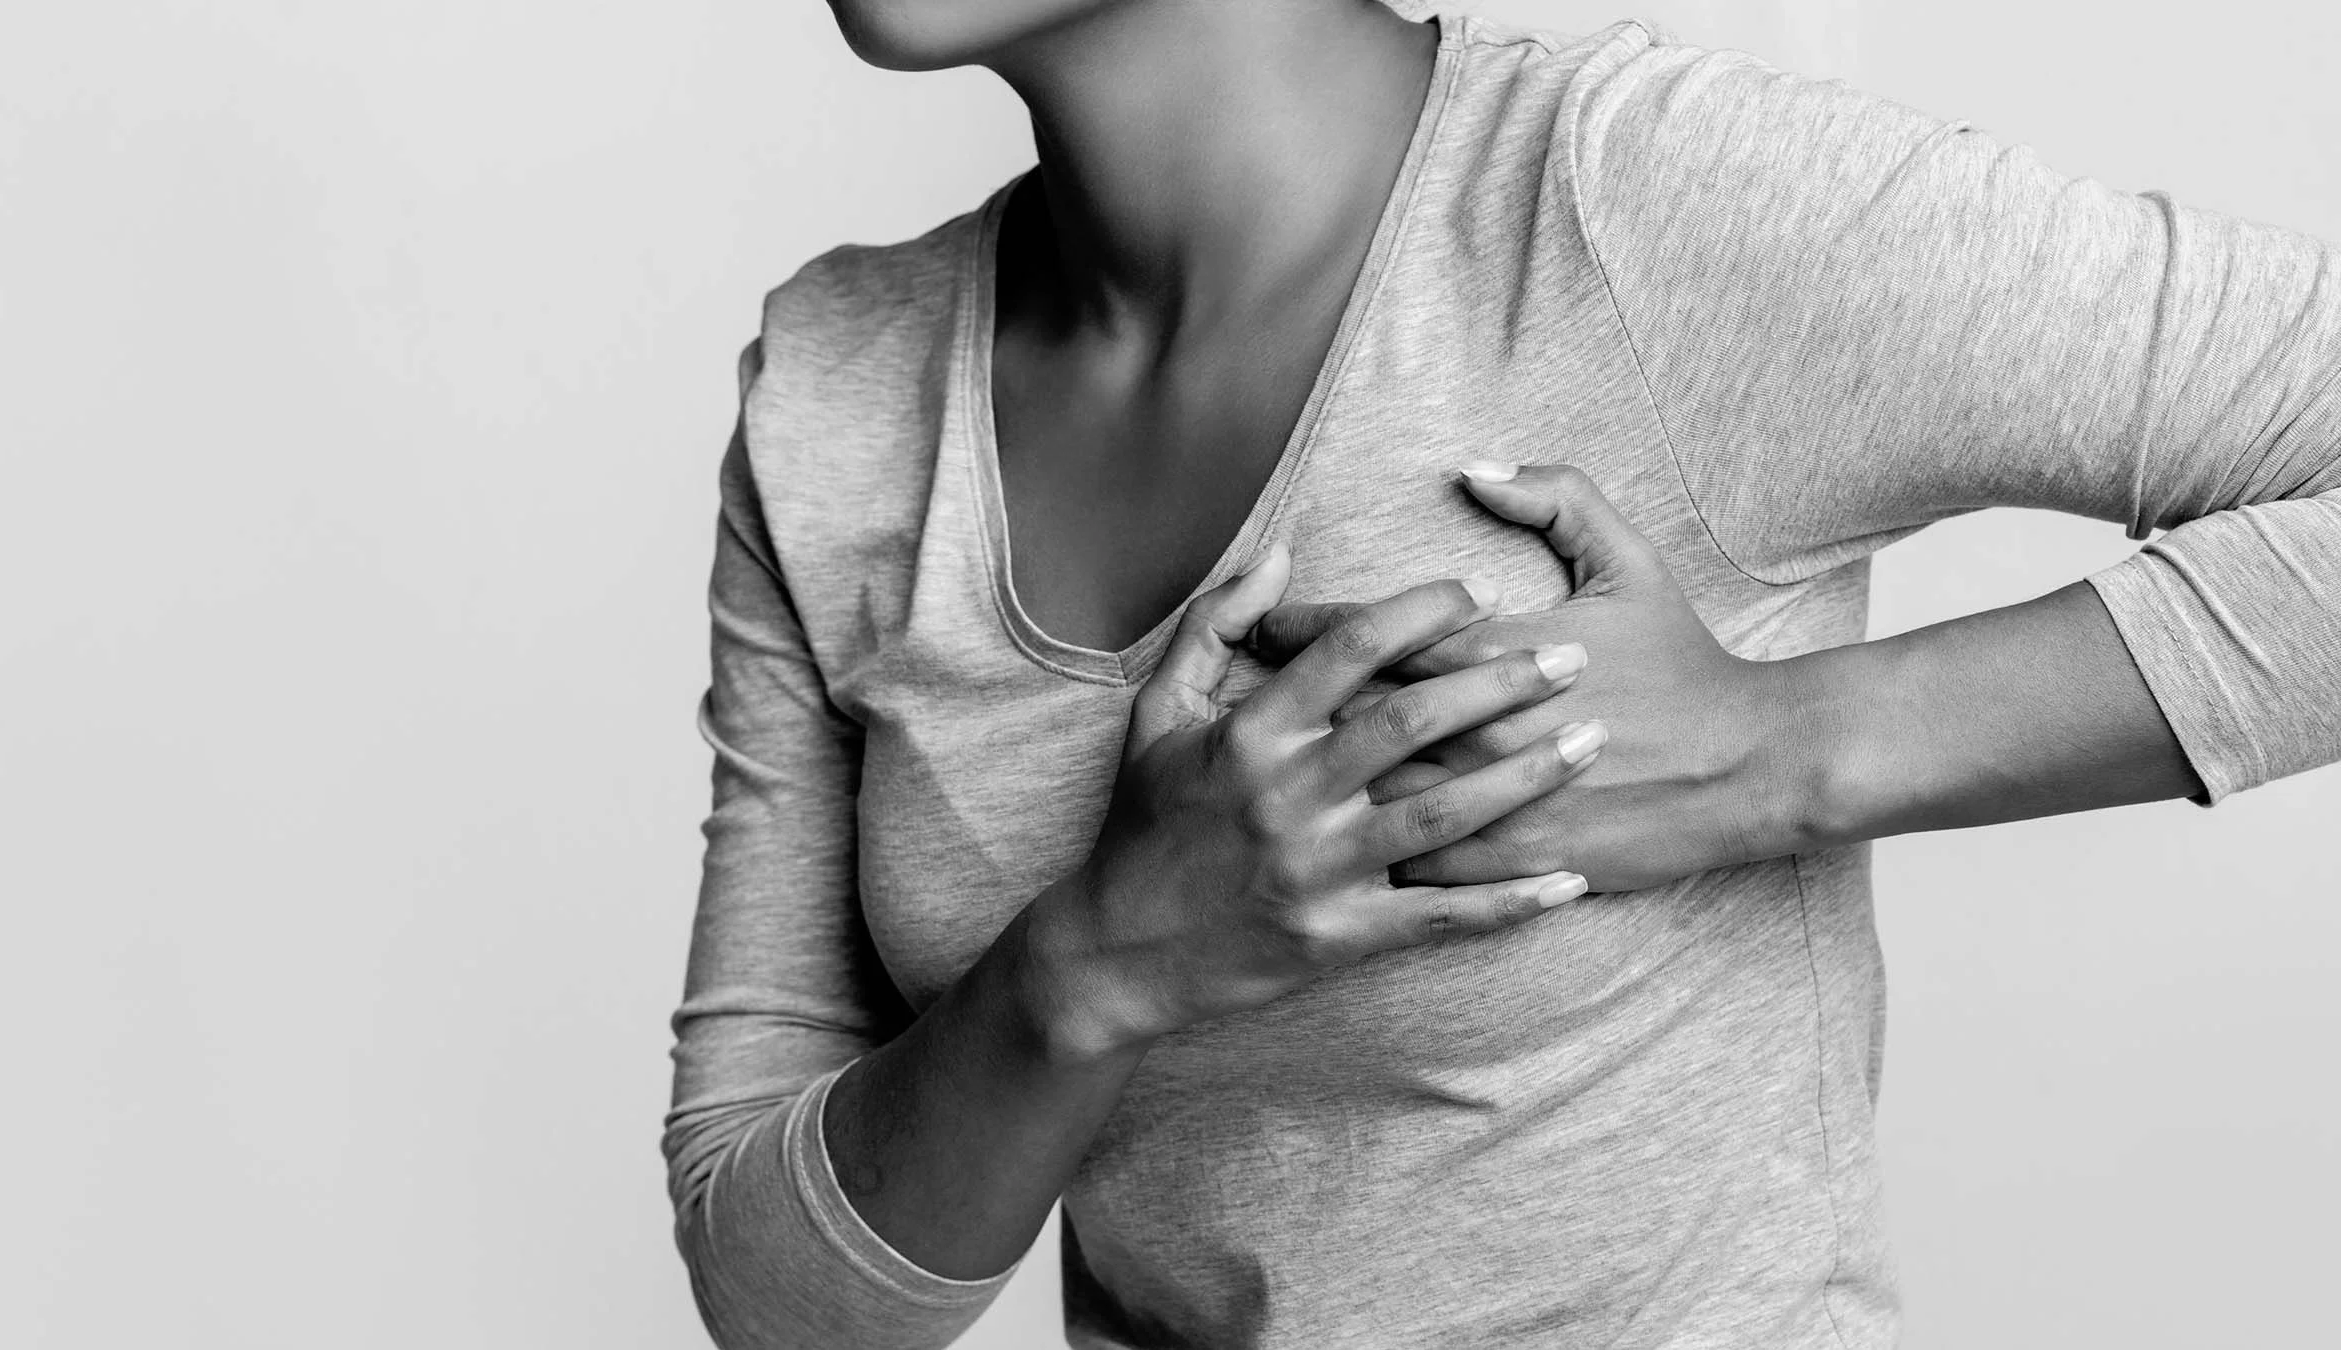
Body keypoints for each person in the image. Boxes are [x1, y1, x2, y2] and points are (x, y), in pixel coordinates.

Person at [663, 2, 2341, 1346]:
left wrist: (1774, 752)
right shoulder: (837, 395)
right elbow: (785, 1299)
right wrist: (1096, 962)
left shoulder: (1627, 209)